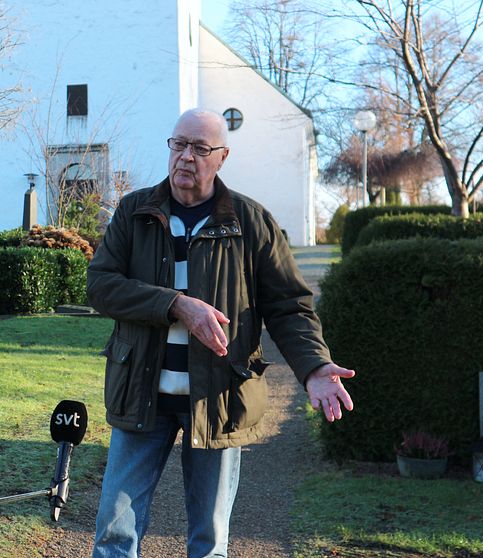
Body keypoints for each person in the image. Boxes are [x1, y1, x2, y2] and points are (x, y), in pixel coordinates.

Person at [87, 108, 355, 558]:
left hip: (217, 398)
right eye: (179, 144)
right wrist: (175, 304)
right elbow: (102, 285)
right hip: (140, 395)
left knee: (209, 543)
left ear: (222, 157)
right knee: (115, 535)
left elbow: (289, 307)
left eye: (200, 148)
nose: (186, 157)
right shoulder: (135, 212)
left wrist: (312, 366)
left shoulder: (252, 223)